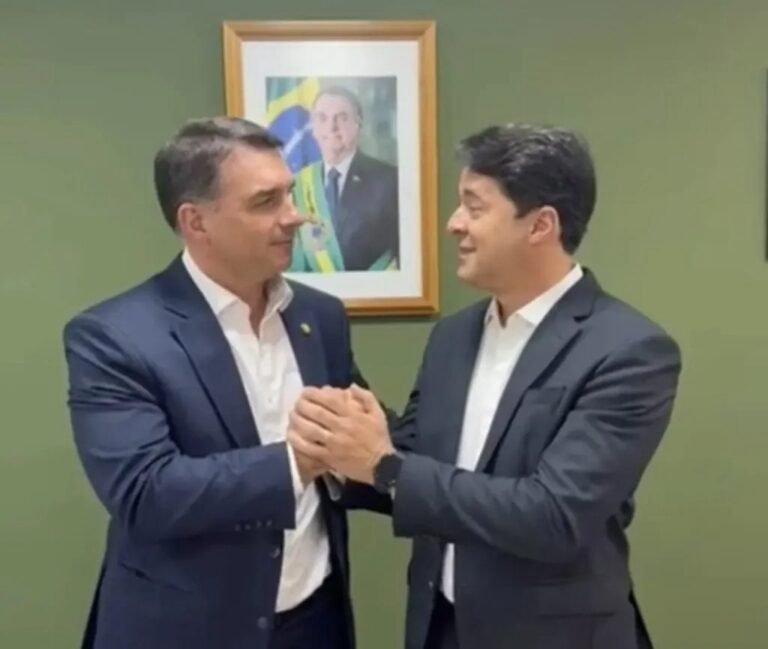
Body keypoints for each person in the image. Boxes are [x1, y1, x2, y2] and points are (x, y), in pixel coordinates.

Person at [288, 124, 683, 649]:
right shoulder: (453, 336)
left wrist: (384, 464)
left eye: (474, 207)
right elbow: (418, 465)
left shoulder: (629, 350)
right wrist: (345, 453)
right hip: (441, 627)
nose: (454, 224)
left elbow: (554, 516)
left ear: (540, 225)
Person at [63, 116, 367, 649]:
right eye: (265, 202)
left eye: (290, 193)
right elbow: (146, 493)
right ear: (196, 221)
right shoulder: (113, 336)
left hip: (315, 619)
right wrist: (298, 461)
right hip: (187, 629)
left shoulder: (318, 316)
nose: (294, 216)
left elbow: (362, 436)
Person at [290, 85, 399, 273]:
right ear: (313, 128)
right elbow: (297, 257)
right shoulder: (298, 184)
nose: (331, 127)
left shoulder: (389, 180)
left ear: (358, 124)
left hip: (373, 288)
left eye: (342, 118)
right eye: (322, 118)